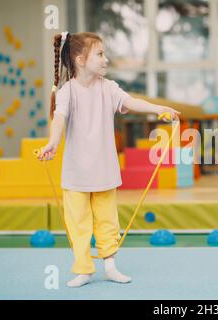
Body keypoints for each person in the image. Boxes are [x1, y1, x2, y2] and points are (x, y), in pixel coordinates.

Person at [39, 32, 180, 287]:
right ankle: (84, 269)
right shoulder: (67, 92)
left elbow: (131, 101)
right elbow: (58, 119)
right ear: (81, 60)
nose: (106, 59)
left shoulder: (109, 87)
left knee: (107, 221)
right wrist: (52, 143)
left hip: (103, 170)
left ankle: (110, 265)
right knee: (78, 224)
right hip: (76, 174)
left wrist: (159, 109)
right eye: (100, 54)